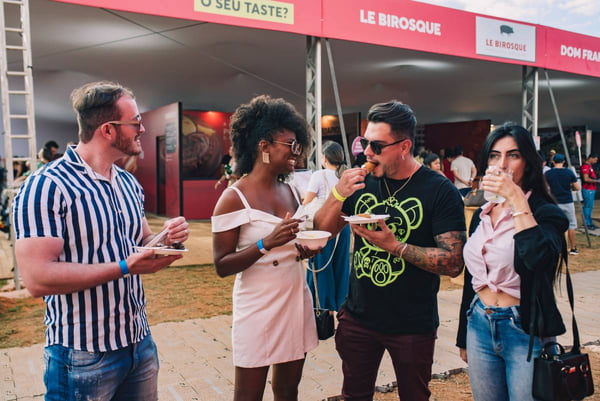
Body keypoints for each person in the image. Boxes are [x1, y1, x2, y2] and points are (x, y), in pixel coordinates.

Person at [12, 81, 190, 401]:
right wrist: (124, 267)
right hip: (82, 355)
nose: (142, 128)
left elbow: (141, 242)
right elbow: (37, 279)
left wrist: (168, 238)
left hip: (138, 344)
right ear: (108, 130)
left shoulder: (126, 182)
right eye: (135, 122)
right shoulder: (46, 186)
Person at [314, 100, 466, 401]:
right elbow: (323, 232)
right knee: (353, 396)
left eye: (376, 145)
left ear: (404, 146)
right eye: (365, 143)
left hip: (412, 324)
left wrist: (394, 246)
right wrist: (337, 193)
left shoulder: (440, 191)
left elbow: (453, 263)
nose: (367, 153)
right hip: (358, 318)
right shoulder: (361, 182)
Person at [211, 95, 320, 401]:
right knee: (248, 396)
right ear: (263, 146)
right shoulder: (234, 198)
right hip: (257, 306)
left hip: (295, 299)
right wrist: (265, 243)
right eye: (290, 144)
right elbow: (221, 265)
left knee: (288, 390)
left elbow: (292, 243)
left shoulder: (292, 190)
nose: (296, 153)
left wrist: (304, 249)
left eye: (298, 145)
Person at [456, 123, 568, 401]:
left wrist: (517, 198)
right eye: (494, 156)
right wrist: (463, 334)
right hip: (479, 322)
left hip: (524, 328)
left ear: (528, 162)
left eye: (513, 155)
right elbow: (474, 277)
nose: (502, 164)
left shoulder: (546, 213)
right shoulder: (482, 213)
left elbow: (539, 259)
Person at [303, 140, 351, 312]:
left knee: (321, 265)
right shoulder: (346, 175)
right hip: (343, 224)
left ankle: (322, 305)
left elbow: (307, 201)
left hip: (323, 225)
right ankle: (341, 303)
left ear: (324, 157)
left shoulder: (319, 175)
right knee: (341, 264)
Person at [544, 153, 580, 254]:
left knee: (555, 226)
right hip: (567, 201)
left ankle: (557, 248)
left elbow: (547, 189)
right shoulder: (569, 172)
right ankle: (573, 248)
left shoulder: (548, 174)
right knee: (571, 225)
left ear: (553, 162)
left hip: (554, 202)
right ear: (564, 162)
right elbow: (577, 187)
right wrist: (571, 187)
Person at [581, 153, 599, 230]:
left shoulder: (589, 166)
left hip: (591, 189)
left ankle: (589, 222)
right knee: (587, 207)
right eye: (595, 160)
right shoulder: (585, 166)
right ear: (591, 158)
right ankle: (587, 223)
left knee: (590, 207)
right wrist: (597, 181)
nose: (595, 161)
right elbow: (586, 179)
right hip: (588, 189)